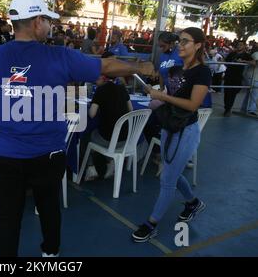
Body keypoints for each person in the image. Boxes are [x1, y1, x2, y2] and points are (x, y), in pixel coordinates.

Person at [0, 0, 154, 257]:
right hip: (48, 154)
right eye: (48, 20)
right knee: (48, 207)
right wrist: (140, 68)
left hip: (3, 154)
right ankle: (50, 254)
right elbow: (106, 66)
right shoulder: (59, 56)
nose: (51, 26)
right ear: (37, 21)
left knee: (7, 215)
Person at [132, 27, 211, 243]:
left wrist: (162, 97)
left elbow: (193, 104)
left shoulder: (202, 72)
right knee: (171, 173)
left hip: (186, 130)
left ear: (198, 45)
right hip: (169, 126)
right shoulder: (176, 69)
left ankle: (151, 224)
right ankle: (193, 203)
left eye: (186, 41)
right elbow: (168, 95)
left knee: (167, 180)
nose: (181, 45)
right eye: (180, 41)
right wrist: (153, 94)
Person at [86, 52, 133, 179]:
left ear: (103, 76)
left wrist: (94, 103)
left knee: (89, 135)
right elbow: (131, 109)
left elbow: (92, 114)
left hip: (109, 139)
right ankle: (111, 162)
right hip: (126, 139)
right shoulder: (122, 88)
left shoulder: (101, 90)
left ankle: (92, 168)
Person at [223, 41, 254, 117]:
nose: (239, 46)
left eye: (241, 45)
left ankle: (228, 108)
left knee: (233, 92)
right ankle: (227, 109)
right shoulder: (232, 54)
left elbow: (253, 62)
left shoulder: (246, 55)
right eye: (238, 45)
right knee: (227, 93)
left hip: (237, 77)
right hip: (228, 75)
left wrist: (243, 61)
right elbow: (225, 61)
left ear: (244, 46)